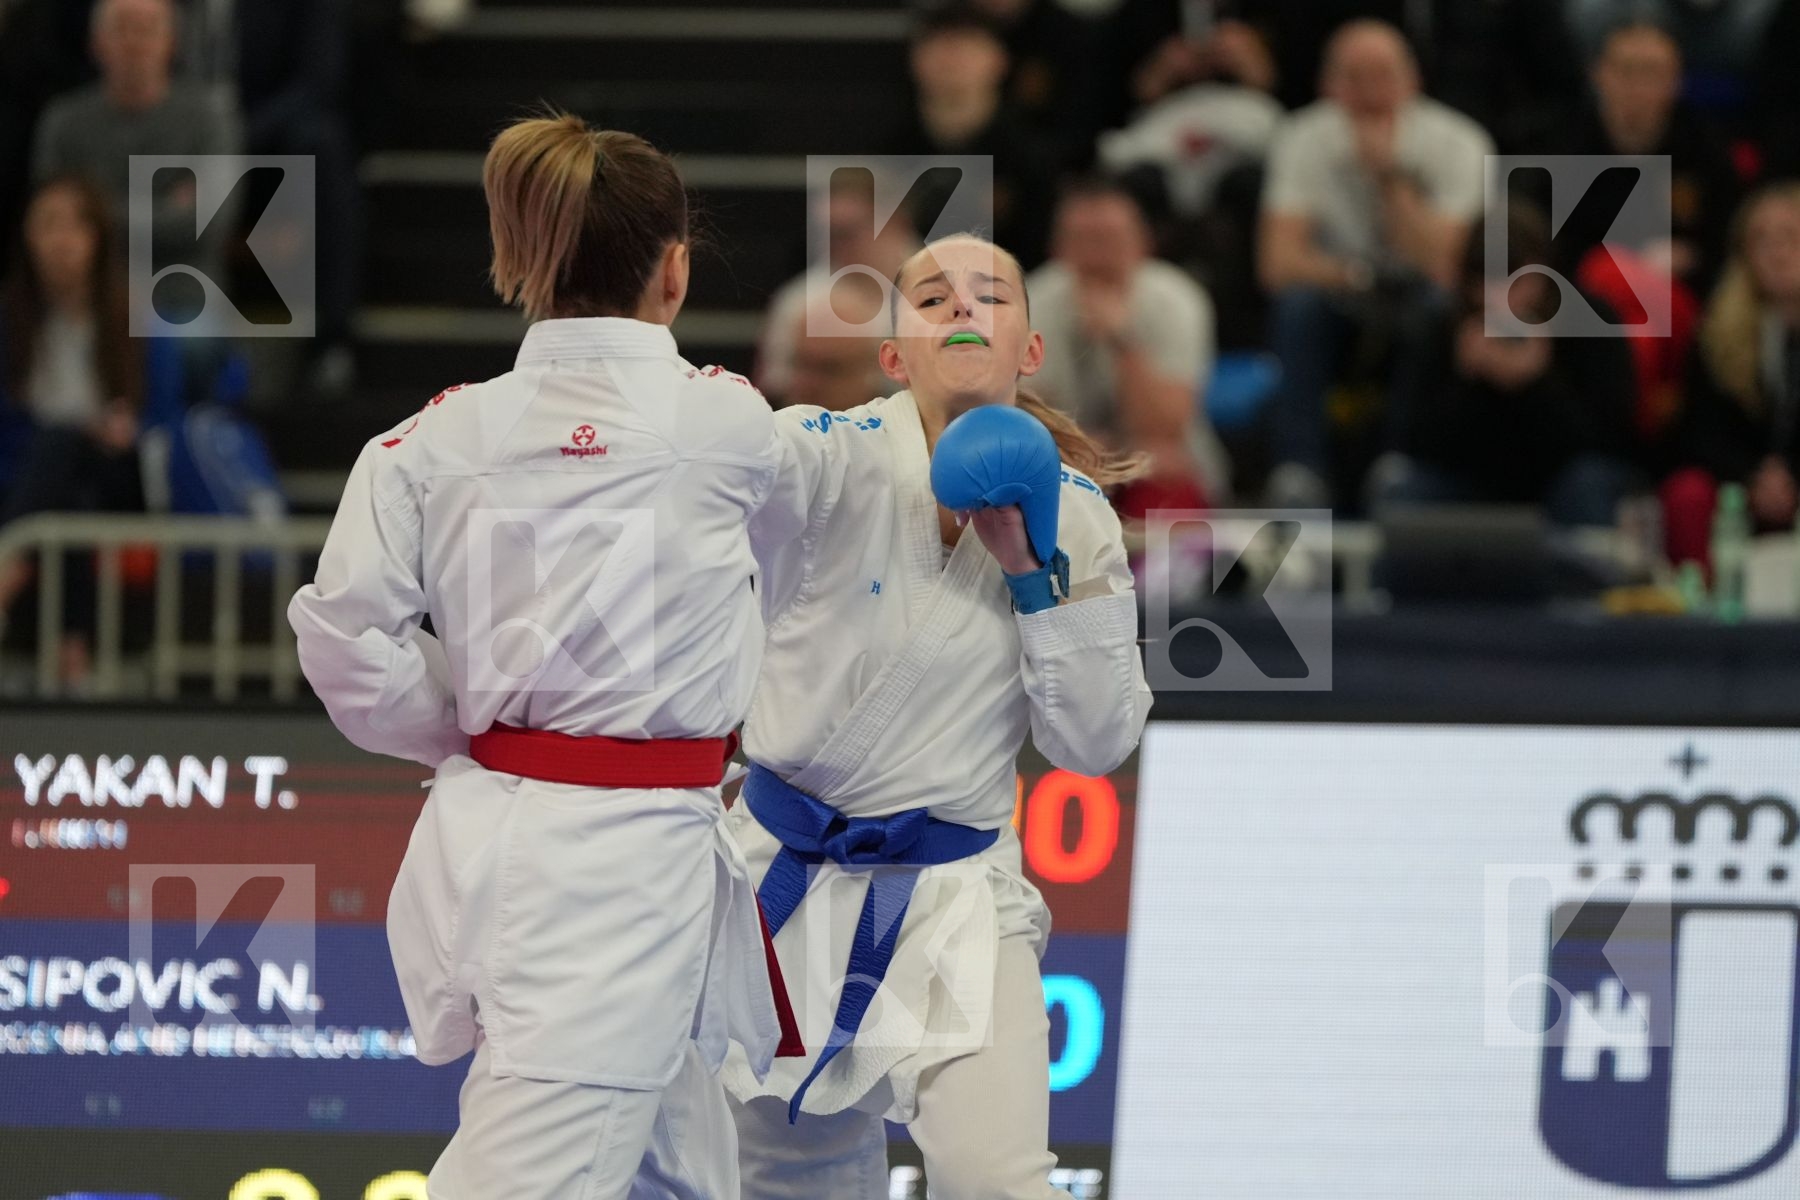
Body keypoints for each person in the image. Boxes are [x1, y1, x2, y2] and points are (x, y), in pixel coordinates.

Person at [288, 114, 794, 1199]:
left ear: (530, 263)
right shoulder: (729, 425)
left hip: (526, 839)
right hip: (615, 879)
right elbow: (823, 544)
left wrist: (476, 721)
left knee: (681, 1175)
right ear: (675, 270)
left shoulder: (439, 436)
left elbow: (341, 634)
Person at [723, 232, 1154, 1197]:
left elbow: (1094, 742)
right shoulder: (825, 459)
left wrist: (1029, 580)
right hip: (774, 883)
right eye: (930, 299)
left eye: (991, 295)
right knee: (787, 1178)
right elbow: (724, 465)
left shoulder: (1076, 515)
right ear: (891, 356)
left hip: (956, 899)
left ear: (1031, 351)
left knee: (995, 1178)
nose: (962, 308)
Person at [1257, 18, 1493, 508]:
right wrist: (1356, 276)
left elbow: (1448, 266)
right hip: (1342, 288)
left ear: (1413, 81)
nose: (1369, 92)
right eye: (1353, 77)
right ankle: (1299, 471)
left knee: (1437, 306)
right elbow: (1277, 263)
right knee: (1298, 306)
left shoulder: (1460, 142)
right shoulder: (1303, 136)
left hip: (1421, 293)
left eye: (1382, 75)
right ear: (1329, 86)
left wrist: (1389, 178)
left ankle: (1401, 465)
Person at [0, 174, 172, 687]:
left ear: (98, 238)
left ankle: (5, 567)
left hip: (119, 472)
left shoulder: (134, 316)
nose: (62, 241)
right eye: (48, 225)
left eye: (76, 226)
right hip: (36, 474)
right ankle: (72, 650)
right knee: (65, 467)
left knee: (71, 450)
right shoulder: (9, 320)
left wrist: (129, 432)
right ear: (27, 238)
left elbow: (164, 417)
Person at [1370, 201, 1639, 527]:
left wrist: (1538, 381)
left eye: (1519, 281)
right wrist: (1468, 379)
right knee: (1401, 487)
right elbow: (1409, 439)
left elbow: (1609, 441)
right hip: (1469, 483)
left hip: (1559, 482)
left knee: (1586, 483)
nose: (1503, 299)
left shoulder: (1590, 321)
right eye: (1488, 282)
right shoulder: (1444, 330)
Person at [1025, 178, 1226, 511]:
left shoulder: (1177, 300)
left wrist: (1123, 341)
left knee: (1167, 489)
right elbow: (1027, 419)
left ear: (1143, 244)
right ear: (1057, 248)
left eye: (1107, 240)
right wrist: (1090, 452)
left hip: (1162, 470)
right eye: (1082, 240)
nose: (1095, 255)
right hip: (1065, 464)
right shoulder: (1034, 301)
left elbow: (1164, 430)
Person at [32, 0, 242, 291]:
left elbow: (208, 225)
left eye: (147, 29)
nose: (134, 43)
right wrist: (167, 208)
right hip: (88, 297)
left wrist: (93, 212)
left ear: (172, 42)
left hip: (182, 294)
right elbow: (52, 220)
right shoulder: (64, 122)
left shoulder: (210, 120)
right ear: (95, 43)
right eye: (121, 28)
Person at [1533, 17, 1740, 297]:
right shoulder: (1558, 149)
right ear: (1597, 73)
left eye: (1652, 72)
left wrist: (1693, 256)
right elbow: (1542, 244)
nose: (1638, 86)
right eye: (1626, 70)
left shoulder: (1707, 153)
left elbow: (1730, 238)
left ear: (1676, 81)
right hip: (1581, 299)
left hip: (1682, 298)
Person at [1662, 183, 1800, 565]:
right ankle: (1700, 615)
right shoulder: (1718, 333)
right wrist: (1755, 478)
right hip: (1738, 489)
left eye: (1791, 237)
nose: (1778, 252)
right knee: (1687, 492)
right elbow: (1698, 433)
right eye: (1761, 240)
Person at [889, 6, 1060, 269]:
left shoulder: (1032, 157)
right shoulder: (887, 154)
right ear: (914, 59)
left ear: (1000, 60)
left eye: (967, 47)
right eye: (937, 46)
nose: (951, 60)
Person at [756, 168, 917, 404]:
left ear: (894, 223)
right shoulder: (798, 302)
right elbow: (775, 386)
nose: (837, 244)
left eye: (847, 232)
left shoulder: (946, 289)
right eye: (829, 232)